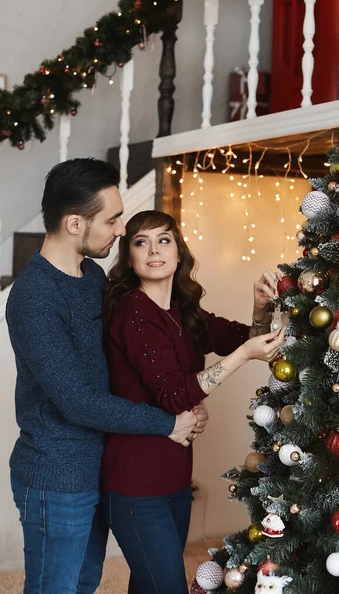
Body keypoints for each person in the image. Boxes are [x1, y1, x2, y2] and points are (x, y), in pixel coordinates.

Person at [5, 159, 208, 594]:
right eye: (113, 219)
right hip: (57, 475)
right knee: (56, 587)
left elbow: (136, 350)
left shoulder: (93, 276)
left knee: (85, 581)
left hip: (101, 463)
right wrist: (168, 422)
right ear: (75, 223)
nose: (120, 230)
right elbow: (77, 401)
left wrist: (185, 396)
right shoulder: (34, 298)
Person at [101, 210, 286, 594]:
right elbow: (175, 395)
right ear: (129, 256)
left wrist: (258, 307)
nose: (154, 250)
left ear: (179, 251)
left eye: (163, 239)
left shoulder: (182, 310)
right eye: (141, 242)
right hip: (135, 482)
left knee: (149, 585)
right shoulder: (134, 312)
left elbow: (240, 338)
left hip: (174, 478)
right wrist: (242, 357)